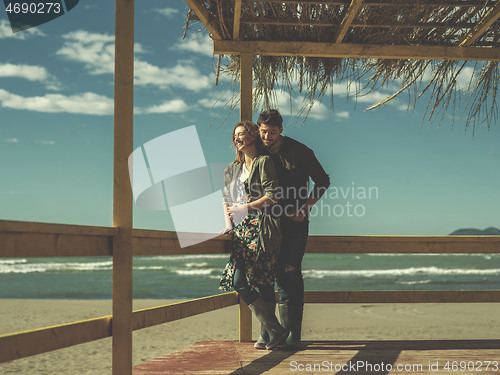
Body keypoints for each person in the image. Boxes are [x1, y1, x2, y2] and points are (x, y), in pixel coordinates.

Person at [257, 109, 331, 350]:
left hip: (294, 222)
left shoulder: (300, 150)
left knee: (289, 273)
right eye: (264, 131)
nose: (267, 137)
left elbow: (323, 181)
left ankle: (292, 336)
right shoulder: (257, 149)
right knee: (268, 275)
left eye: (273, 132)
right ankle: (270, 332)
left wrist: (305, 208)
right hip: (266, 223)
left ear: (281, 130)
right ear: (259, 129)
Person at [219, 120, 287, 350]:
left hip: (261, 228)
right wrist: (228, 224)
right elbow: (225, 200)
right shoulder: (232, 169)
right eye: (235, 135)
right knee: (239, 280)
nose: (238, 139)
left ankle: (268, 333)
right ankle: (274, 328)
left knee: (264, 282)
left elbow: (273, 195)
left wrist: (246, 208)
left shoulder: (264, 161)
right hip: (241, 231)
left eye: (242, 134)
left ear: (253, 137)